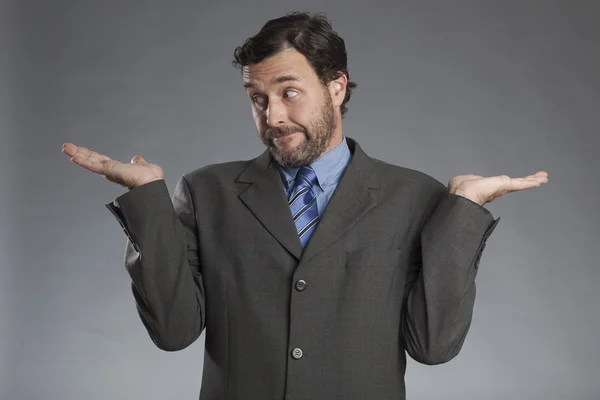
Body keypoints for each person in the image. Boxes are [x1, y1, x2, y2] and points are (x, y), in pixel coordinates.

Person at [62, 11, 548, 400]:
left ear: (336, 88)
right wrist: (146, 199)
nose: (272, 116)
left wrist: (462, 209)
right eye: (257, 98)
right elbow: (173, 332)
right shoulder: (206, 191)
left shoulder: (416, 197)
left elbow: (434, 346)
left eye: (289, 92)